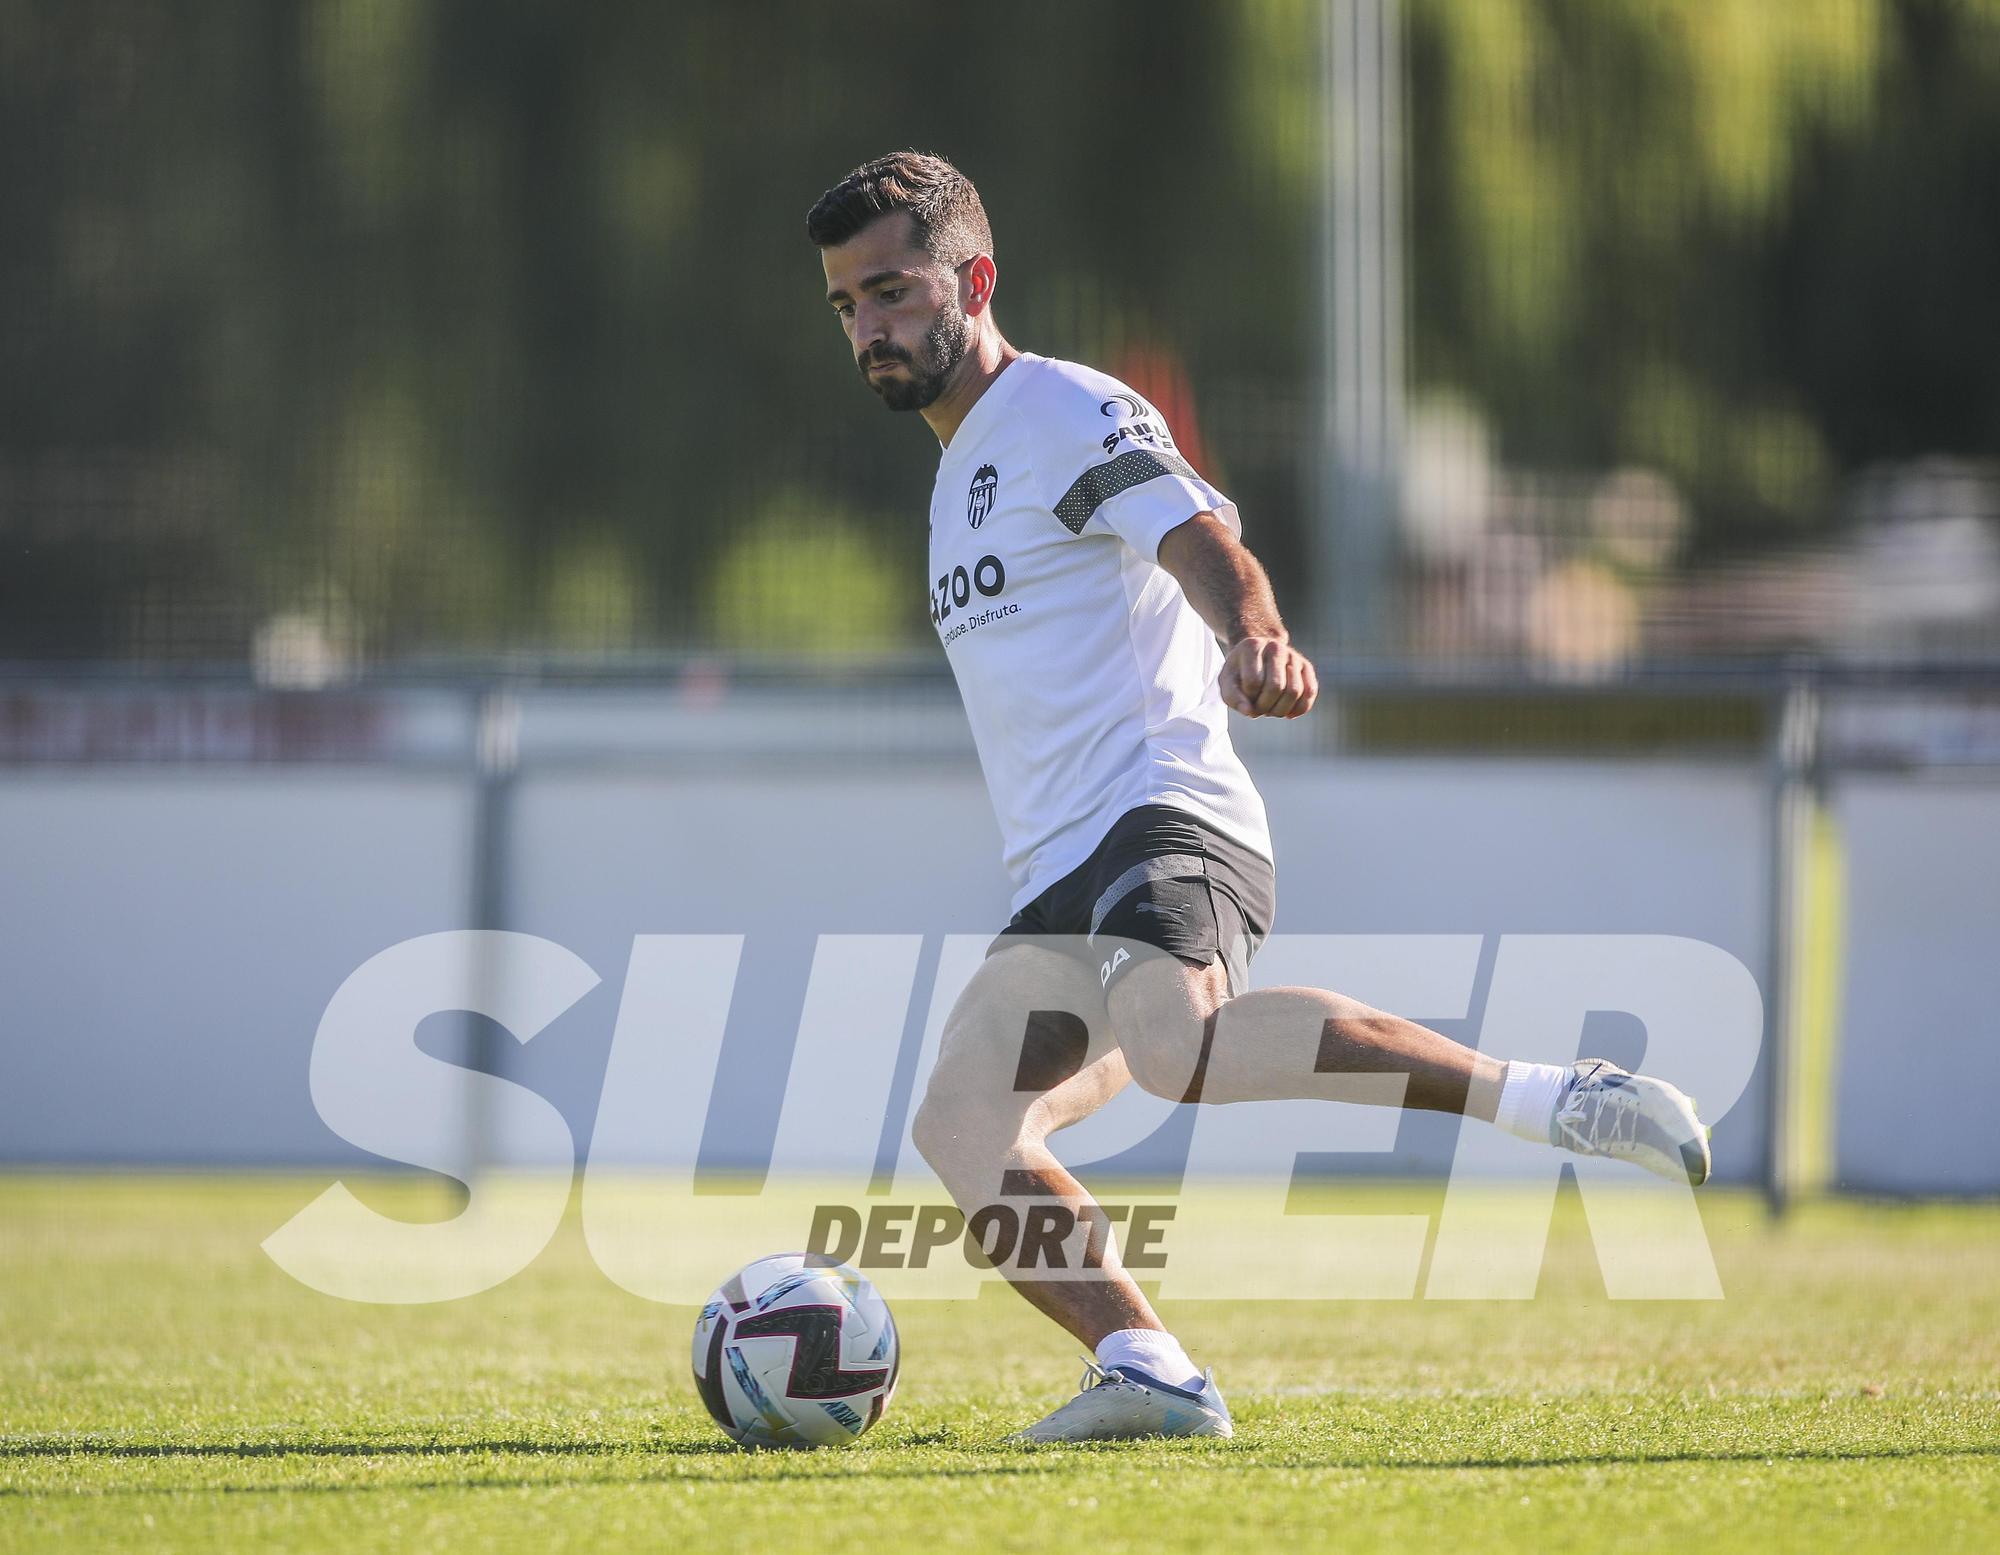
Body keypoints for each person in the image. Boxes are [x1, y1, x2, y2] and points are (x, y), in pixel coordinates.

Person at [805, 151, 1712, 1443]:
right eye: (848, 306)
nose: (871, 327)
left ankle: (1548, 1096)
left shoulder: (1061, 409)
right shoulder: (955, 479)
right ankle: (1149, 1370)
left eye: (893, 292)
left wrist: (1255, 636)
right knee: (963, 1124)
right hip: (1057, 865)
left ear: (977, 280)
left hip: (1163, 813)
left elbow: (1197, 537)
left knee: (1179, 1051)